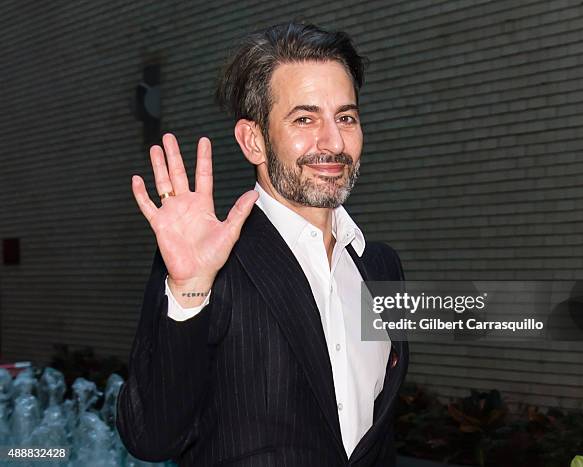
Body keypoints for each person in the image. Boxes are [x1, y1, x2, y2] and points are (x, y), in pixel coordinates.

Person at [116, 22, 409, 467]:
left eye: (345, 117)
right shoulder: (214, 263)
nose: (333, 142)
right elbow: (151, 437)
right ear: (254, 140)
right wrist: (191, 290)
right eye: (305, 119)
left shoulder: (381, 265)